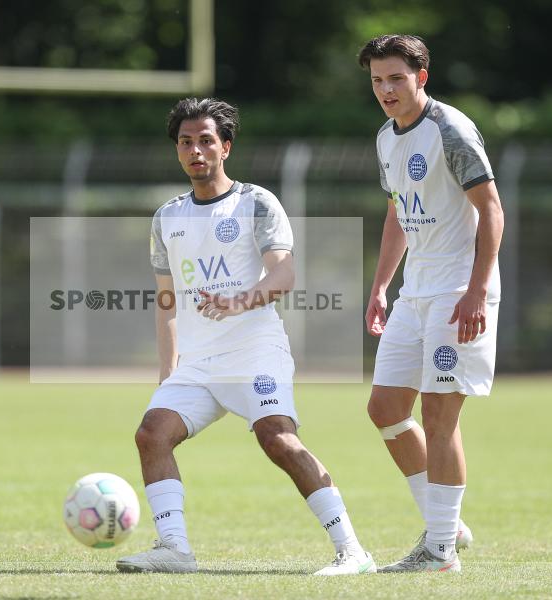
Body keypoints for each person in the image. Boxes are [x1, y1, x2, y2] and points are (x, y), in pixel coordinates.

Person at [116, 97, 374, 576]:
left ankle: (353, 552)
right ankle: (174, 549)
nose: (196, 150)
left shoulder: (255, 202)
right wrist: (167, 371)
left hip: (255, 352)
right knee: (152, 434)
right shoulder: (166, 218)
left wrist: (238, 301)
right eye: (186, 142)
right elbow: (167, 301)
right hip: (197, 364)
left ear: (225, 147)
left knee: (278, 440)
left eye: (206, 141)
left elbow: (284, 275)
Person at [359, 35, 504, 573]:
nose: (385, 89)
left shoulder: (451, 129)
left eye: (396, 78)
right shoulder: (385, 138)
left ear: (422, 76)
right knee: (385, 409)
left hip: (455, 292)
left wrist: (475, 290)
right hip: (414, 292)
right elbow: (399, 210)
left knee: (439, 415)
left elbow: (491, 210)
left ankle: (440, 551)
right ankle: (448, 526)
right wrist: (380, 285)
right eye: (377, 80)